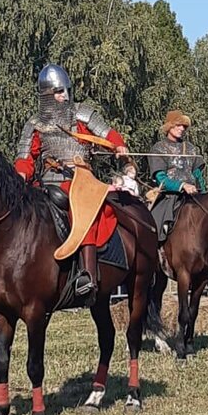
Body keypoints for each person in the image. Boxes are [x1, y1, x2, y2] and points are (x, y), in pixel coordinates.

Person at [15, 63, 127, 305]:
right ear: (46, 96)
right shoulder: (35, 124)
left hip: (82, 181)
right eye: (58, 91)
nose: (64, 95)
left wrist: (119, 145)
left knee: (86, 213)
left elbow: (108, 134)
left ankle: (87, 276)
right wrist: (21, 175)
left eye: (66, 90)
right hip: (47, 184)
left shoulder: (81, 114)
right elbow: (25, 157)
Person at [147, 110, 205, 242]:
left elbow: (198, 176)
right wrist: (182, 185)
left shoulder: (191, 148)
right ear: (169, 126)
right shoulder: (158, 148)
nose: (182, 129)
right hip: (169, 196)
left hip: (193, 195)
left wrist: (204, 195)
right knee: (153, 226)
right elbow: (161, 179)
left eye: (184, 126)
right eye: (178, 125)